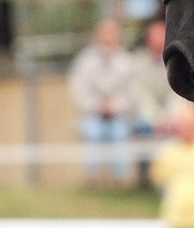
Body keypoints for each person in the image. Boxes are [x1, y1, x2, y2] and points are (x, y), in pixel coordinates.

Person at [68, 17, 134, 185]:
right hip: (92, 114)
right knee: (93, 133)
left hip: (118, 115)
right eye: (105, 34)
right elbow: (78, 89)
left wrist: (115, 106)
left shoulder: (126, 61)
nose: (108, 38)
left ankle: (119, 180)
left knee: (119, 134)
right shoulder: (86, 60)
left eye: (112, 34)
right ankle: (92, 180)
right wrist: (97, 106)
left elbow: (131, 91)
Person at [130, 18, 178, 188]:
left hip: (172, 116)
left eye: (163, 34)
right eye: (156, 34)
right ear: (147, 38)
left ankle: (170, 181)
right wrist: (157, 118)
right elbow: (139, 95)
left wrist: (169, 117)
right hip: (147, 117)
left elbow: (178, 91)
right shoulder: (137, 63)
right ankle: (147, 179)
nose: (161, 38)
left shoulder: (177, 60)